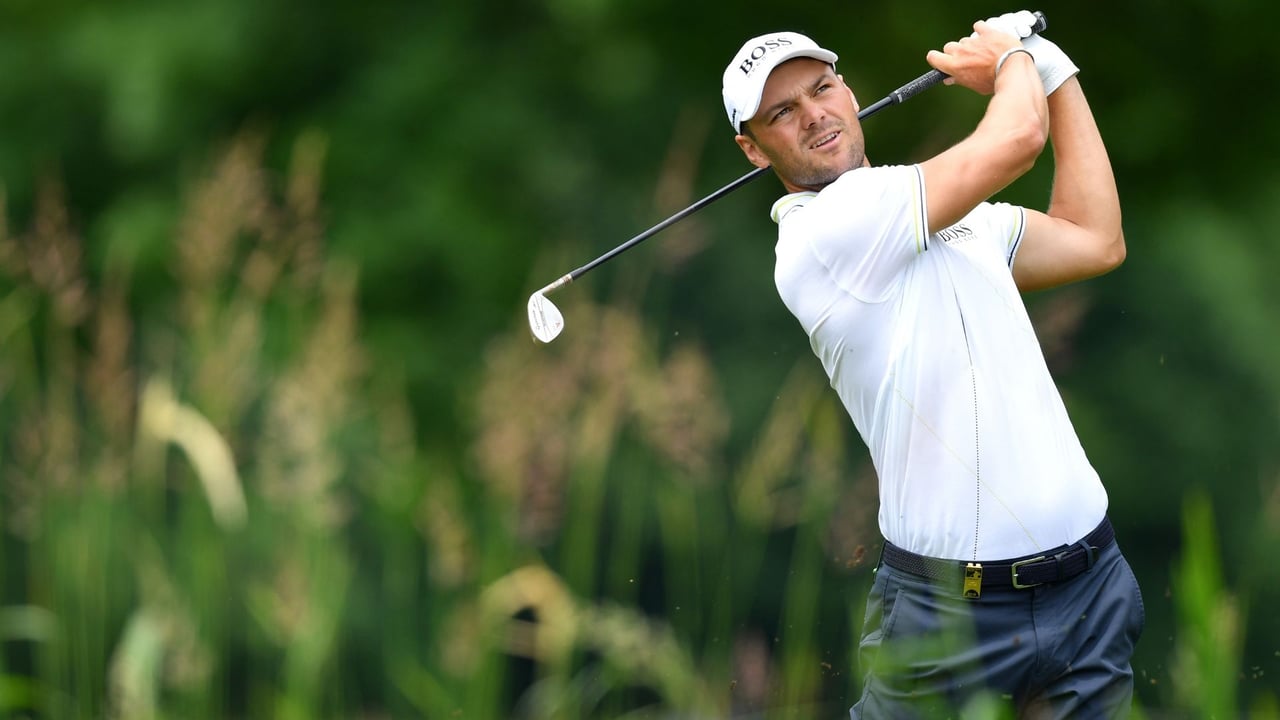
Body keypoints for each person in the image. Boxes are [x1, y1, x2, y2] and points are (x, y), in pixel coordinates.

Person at [721, 11, 1143, 719]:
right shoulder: (826, 232)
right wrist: (1011, 59)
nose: (814, 115)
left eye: (821, 89)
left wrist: (1053, 69)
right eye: (781, 113)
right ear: (753, 150)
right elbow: (1018, 139)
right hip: (950, 618)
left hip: (1089, 590)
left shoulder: (948, 214)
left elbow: (1094, 237)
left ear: (849, 93)